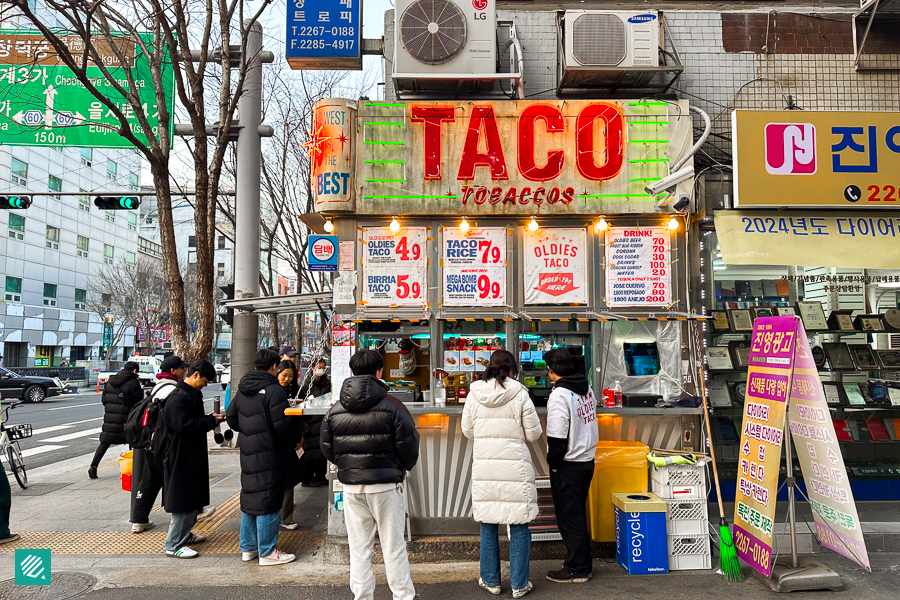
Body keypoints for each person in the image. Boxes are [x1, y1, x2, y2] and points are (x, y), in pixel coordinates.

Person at [320, 350, 420, 600]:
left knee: (359, 548)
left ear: (352, 372)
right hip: (386, 486)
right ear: (380, 372)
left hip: (352, 488)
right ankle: (402, 596)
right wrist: (400, 468)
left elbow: (327, 448)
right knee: (393, 546)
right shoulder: (394, 405)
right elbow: (409, 446)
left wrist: (349, 467)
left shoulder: (335, 409)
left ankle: (363, 596)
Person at [462, 350, 541, 598]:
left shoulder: (474, 394)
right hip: (515, 467)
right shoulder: (520, 394)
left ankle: (491, 581)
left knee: (488, 524)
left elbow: (467, 431)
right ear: (513, 369)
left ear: (490, 366)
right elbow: (533, 434)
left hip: (486, 467)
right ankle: (519, 585)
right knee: (519, 525)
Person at [226, 349, 298, 566]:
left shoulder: (243, 388)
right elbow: (282, 426)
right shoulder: (274, 390)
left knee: (251, 496)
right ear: (274, 366)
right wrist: (294, 438)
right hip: (270, 450)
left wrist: (249, 430)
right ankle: (267, 551)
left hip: (248, 450)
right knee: (268, 497)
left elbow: (231, 418)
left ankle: (248, 548)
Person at [543, 349, 599, 584]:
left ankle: (577, 568)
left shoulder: (560, 395)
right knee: (577, 514)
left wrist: (554, 465)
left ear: (551, 370)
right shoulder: (586, 388)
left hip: (569, 465)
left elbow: (557, 436)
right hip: (587, 461)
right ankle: (582, 563)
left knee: (570, 518)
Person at [160, 360, 222, 558]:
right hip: (180, 456)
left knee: (192, 497)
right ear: (195, 375)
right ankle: (174, 544)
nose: (205, 385)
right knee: (184, 500)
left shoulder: (189, 394)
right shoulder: (178, 398)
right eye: (204, 381)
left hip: (190, 454)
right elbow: (183, 426)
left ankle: (184, 535)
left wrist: (208, 419)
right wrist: (209, 421)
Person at [130, 356, 188, 533]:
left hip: (152, 443)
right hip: (166, 444)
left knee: (148, 482)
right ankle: (183, 520)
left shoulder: (157, 387)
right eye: (181, 369)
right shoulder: (172, 390)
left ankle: (139, 520)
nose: (184, 371)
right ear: (173, 371)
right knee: (176, 482)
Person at [89, 361, 144, 479]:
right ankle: (133, 469)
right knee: (132, 440)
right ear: (134, 371)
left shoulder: (110, 382)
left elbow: (104, 400)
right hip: (126, 418)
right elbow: (138, 403)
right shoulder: (133, 382)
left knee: (105, 442)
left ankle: (93, 467)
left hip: (110, 417)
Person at [276, 360, 304, 530]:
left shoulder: (297, 390)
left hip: (292, 439)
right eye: (284, 375)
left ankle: (285, 517)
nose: (286, 379)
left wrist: (300, 437)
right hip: (279, 440)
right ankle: (281, 517)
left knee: (289, 479)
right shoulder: (273, 392)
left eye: (290, 376)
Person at [298, 358, 330, 488]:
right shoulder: (306, 384)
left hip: (322, 421)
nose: (320, 370)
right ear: (312, 368)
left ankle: (321, 476)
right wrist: (304, 426)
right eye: (318, 367)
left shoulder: (327, 383)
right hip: (310, 423)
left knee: (322, 451)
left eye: (322, 367)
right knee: (310, 452)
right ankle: (308, 478)